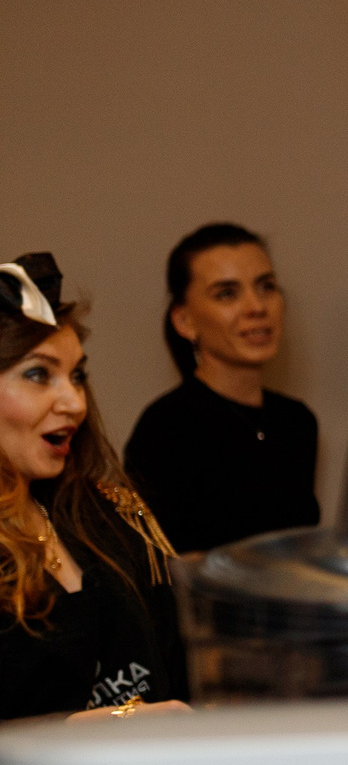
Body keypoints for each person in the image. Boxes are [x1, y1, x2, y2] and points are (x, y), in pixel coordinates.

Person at [0, 252, 189, 720]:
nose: (74, 403)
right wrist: (64, 738)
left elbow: (181, 666)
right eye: (39, 374)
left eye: (77, 376)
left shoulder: (110, 515)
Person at [124, 222, 322, 553]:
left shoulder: (296, 422)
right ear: (184, 321)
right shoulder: (166, 429)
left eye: (266, 286)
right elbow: (155, 565)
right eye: (227, 293)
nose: (256, 307)